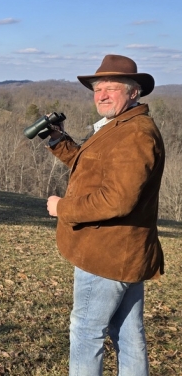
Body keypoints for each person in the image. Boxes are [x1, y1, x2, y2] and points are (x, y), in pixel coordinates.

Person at [45, 54, 165, 376]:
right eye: (98, 89)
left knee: (86, 331)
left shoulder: (135, 134)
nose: (102, 95)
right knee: (127, 334)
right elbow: (93, 168)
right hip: (123, 253)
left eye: (111, 88)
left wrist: (63, 208)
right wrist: (58, 140)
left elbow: (117, 199)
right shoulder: (120, 127)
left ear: (134, 92)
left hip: (106, 255)